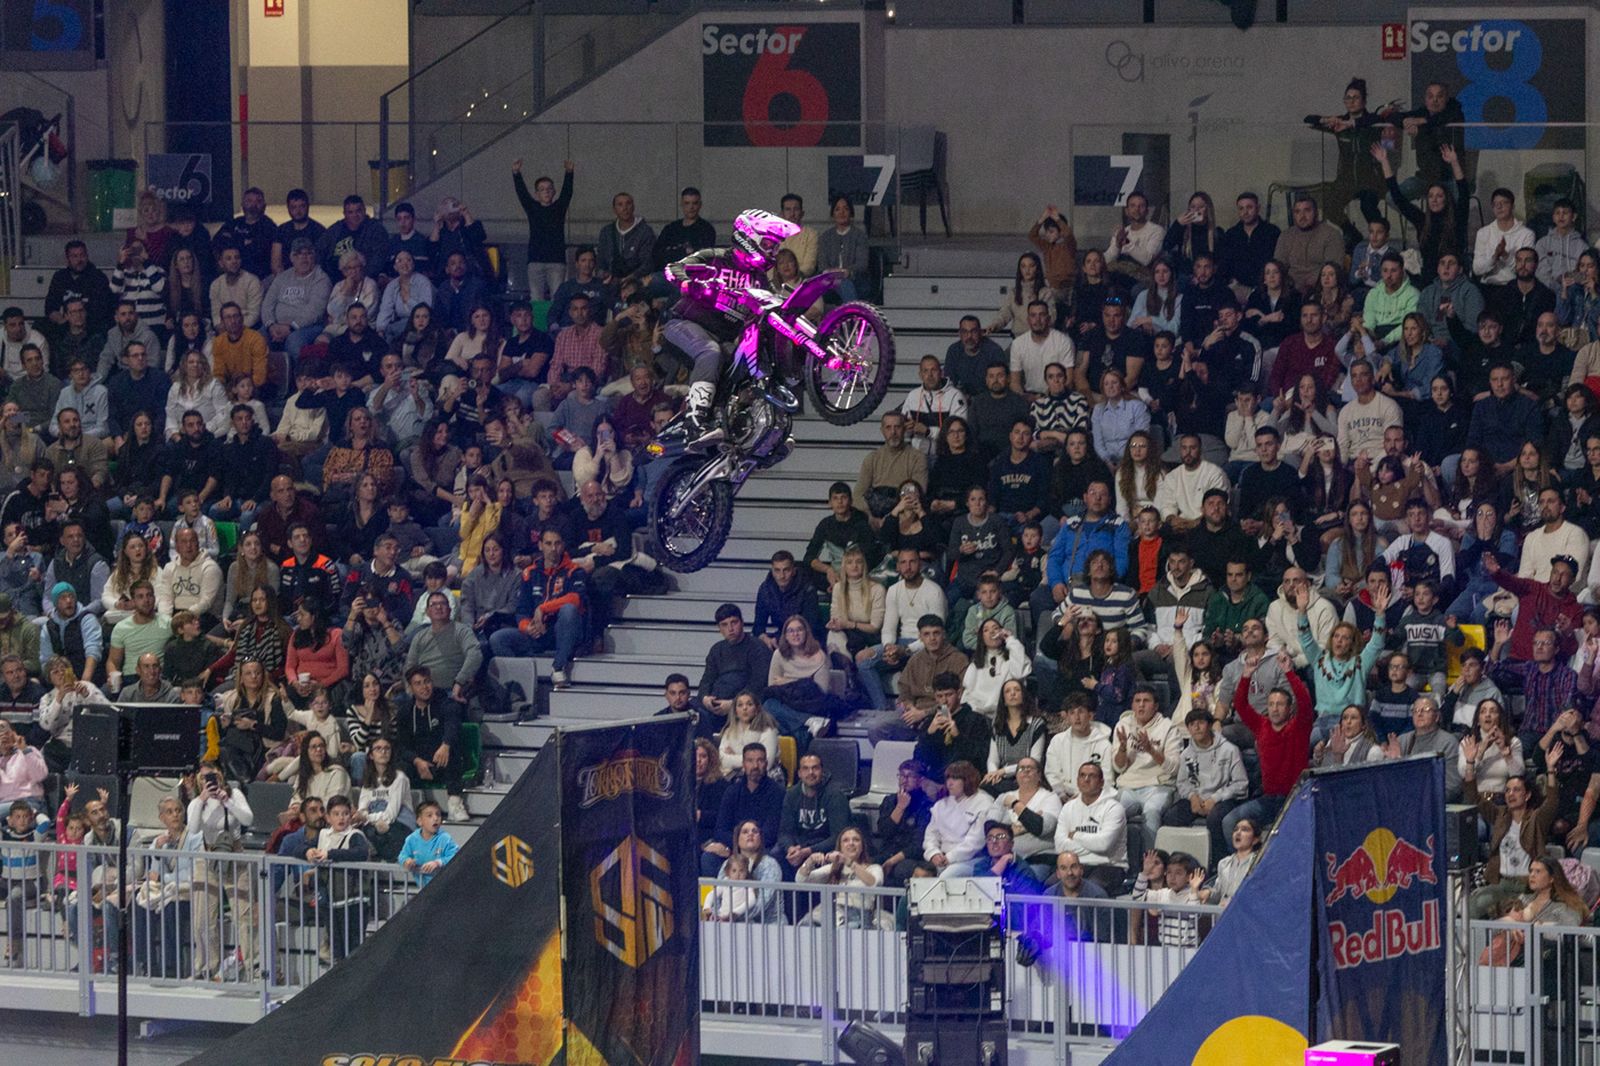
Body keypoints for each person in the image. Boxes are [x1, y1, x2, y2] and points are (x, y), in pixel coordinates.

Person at [655, 208, 797, 437]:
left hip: (722, 338)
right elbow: (673, 269)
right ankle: (695, 417)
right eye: (770, 244)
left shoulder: (759, 279)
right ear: (751, 237)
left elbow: (770, 308)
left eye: (776, 246)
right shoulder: (716, 256)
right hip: (683, 325)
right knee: (710, 353)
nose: (774, 251)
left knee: (743, 368)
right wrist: (691, 285)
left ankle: (728, 420)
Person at [1227, 648, 1315, 838]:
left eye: (1280, 704)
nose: (1275, 709)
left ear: (1290, 708)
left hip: (1295, 798)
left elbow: (1305, 702)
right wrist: (1246, 676)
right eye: (1271, 704)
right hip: (1267, 799)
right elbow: (1241, 705)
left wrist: (1289, 673)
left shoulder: (1298, 728)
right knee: (1229, 821)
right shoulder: (1261, 725)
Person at [1467, 764, 1560, 919]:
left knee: (1522, 916)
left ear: (1527, 795)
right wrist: (1470, 764)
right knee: (1472, 906)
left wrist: (1550, 769)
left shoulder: (1536, 819)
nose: (1511, 794)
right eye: (1508, 790)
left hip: (1528, 885)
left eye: (1516, 790)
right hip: (1502, 884)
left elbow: (1552, 802)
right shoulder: (1500, 816)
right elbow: (1474, 797)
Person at [394, 666, 468, 824]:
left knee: (451, 752)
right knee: (399, 767)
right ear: (411, 688)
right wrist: (417, 761)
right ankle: (407, 811)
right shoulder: (405, 711)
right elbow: (402, 746)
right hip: (419, 764)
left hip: (441, 761)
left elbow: (452, 723)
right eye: (418, 683)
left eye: (427, 682)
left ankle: (455, 804)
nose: (424, 687)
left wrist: (446, 744)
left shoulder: (445, 702)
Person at [704, 745, 784, 877]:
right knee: (708, 858)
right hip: (735, 848)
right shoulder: (732, 791)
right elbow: (720, 830)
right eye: (750, 761)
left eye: (760, 760)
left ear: (766, 764)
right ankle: (718, 897)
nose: (755, 766)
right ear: (743, 764)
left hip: (763, 850)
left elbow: (771, 834)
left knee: (775, 855)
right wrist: (736, 849)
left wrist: (746, 849)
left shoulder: (777, 792)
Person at [1055, 761, 1128, 893]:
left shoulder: (1113, 808)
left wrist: (1075, 836)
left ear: (1101, 782)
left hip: (1109, 867)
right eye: (1082, 775)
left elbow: (1104, 845)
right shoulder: (1068, 808)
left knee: (1088, 891)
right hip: (1076, 866)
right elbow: (1060, 846)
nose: (1086, 779)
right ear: (1077, 781)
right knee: (1048, 888)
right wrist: (1094, 846)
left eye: (1092, 776)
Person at [512, 158, 574, 299]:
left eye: (549, 189)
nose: (546, 192)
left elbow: (567, 193)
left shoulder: (559, 207)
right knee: (536, 298)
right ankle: (538, 322)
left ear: (554, 192)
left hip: (556, 261)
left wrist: (569, 173)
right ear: (537, 194)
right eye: (542, 189)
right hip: (535, 260)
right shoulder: (532, 208)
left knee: (557, 298)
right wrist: (516, 173)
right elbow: (522, 194)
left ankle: (555, 322)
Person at [924, 760, 997, 879]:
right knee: (918, 875)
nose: (949, 783)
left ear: (967, 780)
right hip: (941, 858)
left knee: (947, 877)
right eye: (948, 779)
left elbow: (975, 843)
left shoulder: (984, 802)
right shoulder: (940, 805)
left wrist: (949, 858)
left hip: (973, 859)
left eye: (955, 779)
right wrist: (933, 853)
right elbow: (931, 836)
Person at [1274, 194, 1345, 293]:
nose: (1302, 216)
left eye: (1307, 210)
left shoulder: (1331, 234)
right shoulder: (1286, 236)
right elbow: (1278, 268)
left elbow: (1333, 270)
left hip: (1321, 290)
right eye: (1297, 212)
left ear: (1316, 213)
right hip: (1290, 291)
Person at [398, 800, 458, 887]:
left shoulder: (445, 838)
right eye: (429, 815)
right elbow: (402, 855)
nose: (435, 818)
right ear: (419, 821)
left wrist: (438, 863)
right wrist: (406, 861)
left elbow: (456, 856)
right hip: (423, 888)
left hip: (445, 887)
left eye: (438, 814)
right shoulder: (412, 839)